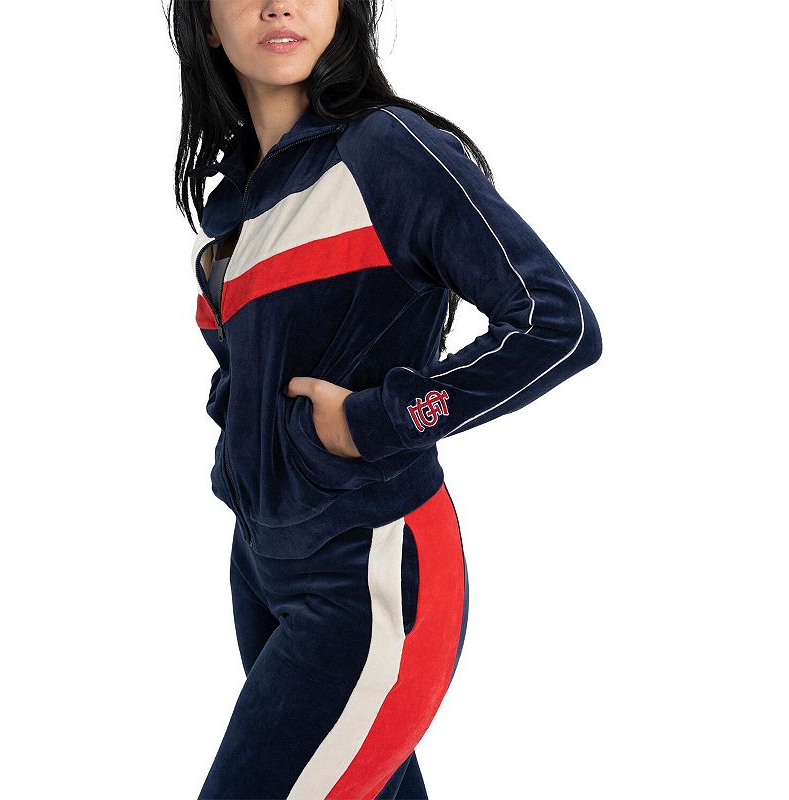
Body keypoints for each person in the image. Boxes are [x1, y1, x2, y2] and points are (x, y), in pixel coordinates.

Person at [170, 1, 603, 797]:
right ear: (204, 21)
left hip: (372, 574)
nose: (278, 3)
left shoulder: (385, 151)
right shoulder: (235, 210)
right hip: (261, 570)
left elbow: (556, 326)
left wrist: (382, 419)